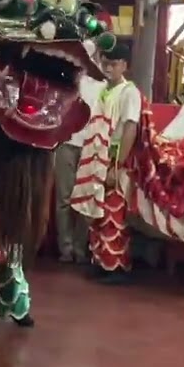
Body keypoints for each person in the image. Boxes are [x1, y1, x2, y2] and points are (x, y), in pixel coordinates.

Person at [70, 43, 142, 284]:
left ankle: (117, 267)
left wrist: (117, 165)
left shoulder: (129, 92)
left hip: (113, 160)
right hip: (96, 159)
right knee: (97, 214)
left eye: (114, 63)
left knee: (113, 213)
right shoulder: (103, 90)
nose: (109, 68)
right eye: (105, 63)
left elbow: (130, 128)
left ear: (125, 65)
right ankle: (101, 262)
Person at [53, 43, 101, 264]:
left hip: (91, 145)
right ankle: (66, 247)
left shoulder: (102, 84)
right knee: (63, 198)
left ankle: (81, 248)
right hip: (67, 142)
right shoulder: (67, 79)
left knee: (85, 198)